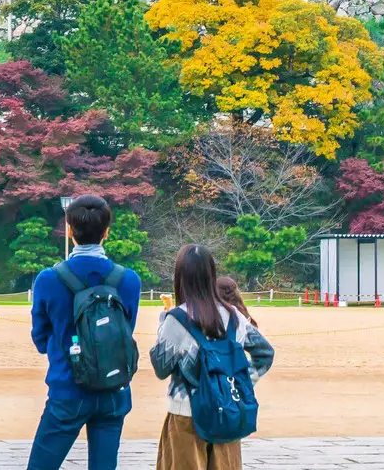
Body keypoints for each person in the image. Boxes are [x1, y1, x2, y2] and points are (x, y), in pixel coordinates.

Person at [27, 194, 142, 470]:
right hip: (114, 389)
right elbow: (126, 330)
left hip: (68, 388)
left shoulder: (49, 279)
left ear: (69, 229)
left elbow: (40, 338)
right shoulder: (128, 280)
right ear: (106, 232)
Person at [149, 243, 274, 470]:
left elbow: (160, 367)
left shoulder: (176, 319)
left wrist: (162, 323)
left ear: (181, 277)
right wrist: (239, 381)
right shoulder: (233, 315)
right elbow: (265, 353)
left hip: (186, 413)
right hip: (227, 412)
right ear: (211, 274)